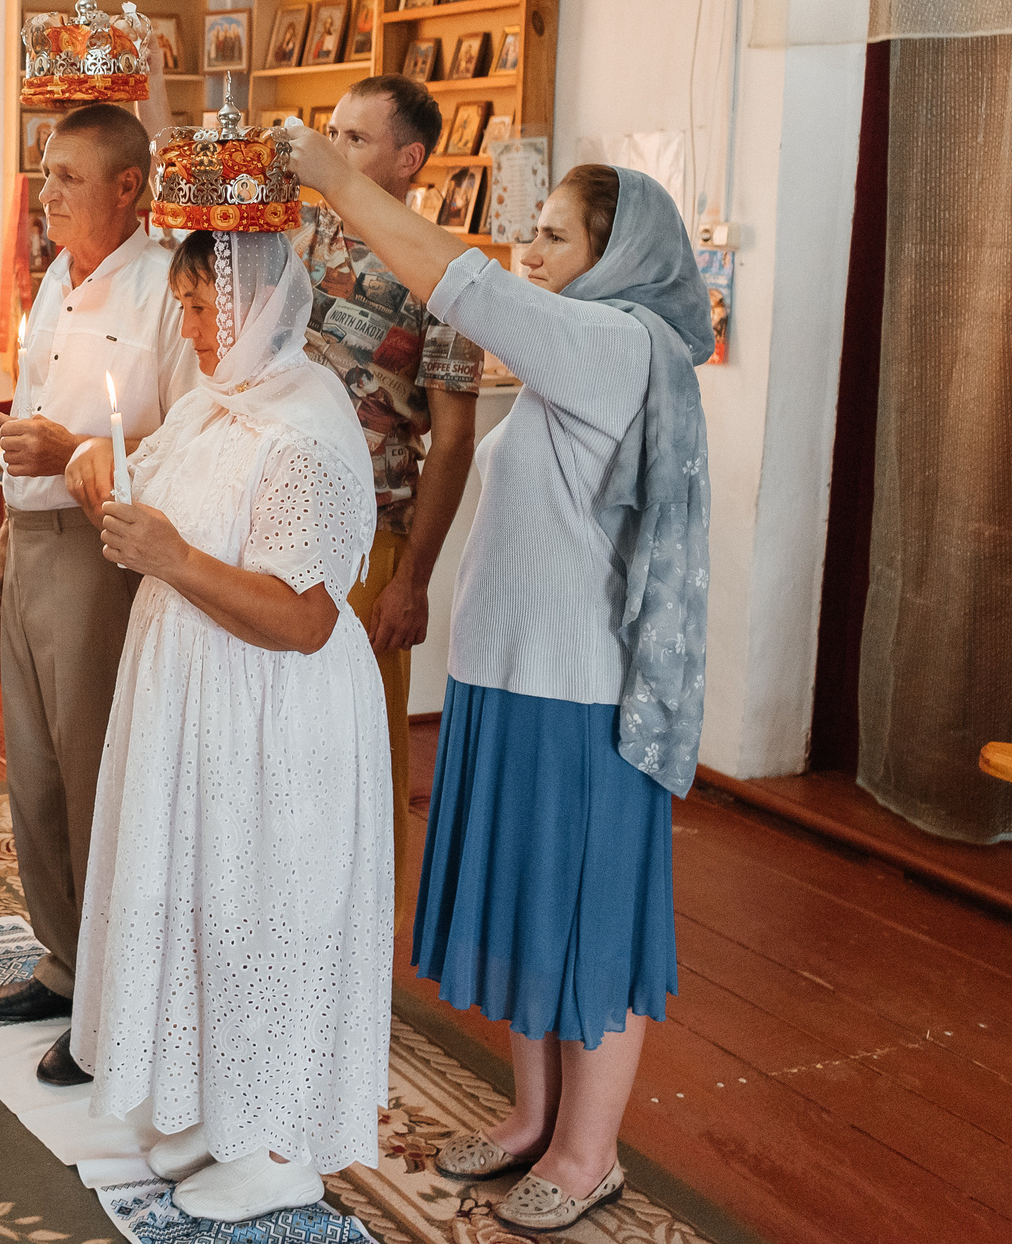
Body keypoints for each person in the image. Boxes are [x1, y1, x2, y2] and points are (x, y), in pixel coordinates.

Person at [283, 132, 711, 1237]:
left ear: (620, 256)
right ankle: (533, 1118)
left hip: (577, 692)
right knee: (528, 909)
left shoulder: (614, 340)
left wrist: (339, 182)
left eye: (556, 232)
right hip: (508, 676)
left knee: (586, 922)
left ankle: (589, 1148)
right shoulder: (580, 343)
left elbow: (455, 281)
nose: (532, 245)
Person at [68, 213, 392, 1224]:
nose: (197, 331)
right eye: (187, 311)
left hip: (275, 715)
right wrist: (103, 489)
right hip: (199, 695)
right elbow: (162, 516)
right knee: (209, 896)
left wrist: (168, 556)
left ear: (256, 305)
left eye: (207, 310)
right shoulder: (216, 401)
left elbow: (301, 617)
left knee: (275, 909)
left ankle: (284, 1140)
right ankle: (220, 1103)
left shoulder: (306, 427)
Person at [0, 105, 197, 1086]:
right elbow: (30, 411)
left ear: (128, 188)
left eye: (67, 175)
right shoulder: (60, 278)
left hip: (104, 547)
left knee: (97, 774)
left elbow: (193, 442)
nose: (47, 192)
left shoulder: (165, 292)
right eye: (46, 172)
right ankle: (63, 960)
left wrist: (74, 458)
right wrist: (1, 535)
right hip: (34, 540)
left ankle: (114, 999)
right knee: (36, 774)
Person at [290, 76, 480, 912]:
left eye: (356, 139)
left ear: (409, 160)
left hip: (372, 532)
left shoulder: (444, 273)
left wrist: (415, 579)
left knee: (358, 746)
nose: (333, 150)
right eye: (330, 132)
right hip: (275, 518)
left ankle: (360, 944)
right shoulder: (288, 234)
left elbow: (455, 436)